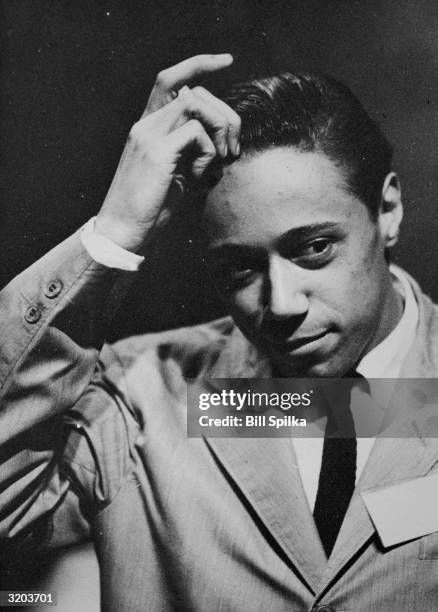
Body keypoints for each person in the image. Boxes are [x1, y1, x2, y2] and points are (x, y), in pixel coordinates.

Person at [1, 53, 438, 612]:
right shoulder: (142, 396)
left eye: (314, 248)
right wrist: (113, 234)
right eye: (240, 270)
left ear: (389, 209)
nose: (281, 304)